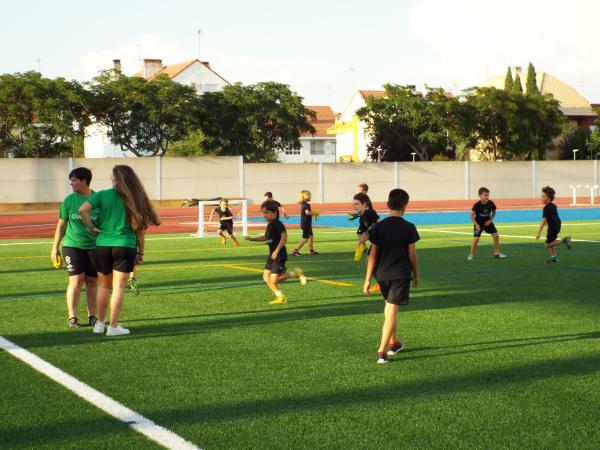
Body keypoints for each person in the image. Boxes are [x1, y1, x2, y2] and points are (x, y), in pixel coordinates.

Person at [79, 165, 161, 337]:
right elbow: (139, 230)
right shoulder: (135, 198)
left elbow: (82, 210)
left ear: (114, 180)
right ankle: (113, 326)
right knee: (119, 287)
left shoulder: (102, 194)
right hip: (124, 245)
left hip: (102, 245)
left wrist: (91, 227)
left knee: (104, 286)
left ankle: (99, 324)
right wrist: (141, 252)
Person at [363, 189, 420, 364]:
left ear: (388, 204)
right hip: (400, 274)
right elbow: (412, 255)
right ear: (405, 206)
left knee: (390, 308)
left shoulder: (378, 227)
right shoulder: (409, 227)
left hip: (381, 274)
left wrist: (367, 279)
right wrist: (416, 274)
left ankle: (394, 343)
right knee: (391, 310)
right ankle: (382, 351)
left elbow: (372, 255)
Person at [50, 167, 99, 328]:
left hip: (94, 247)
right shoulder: (69, 200)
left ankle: (93, 316)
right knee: (76, 280)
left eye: (74, 180)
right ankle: (72, 317)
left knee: (92, 282)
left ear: (84, 181)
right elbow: (61, 225)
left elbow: (105, 223)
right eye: (71, 180)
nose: (71, 183)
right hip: (72, 246)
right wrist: (55, 247)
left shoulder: (98, 199)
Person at [245, 200, 307, 304]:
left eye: (266, 213)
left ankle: (296, 273)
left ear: (274, 212)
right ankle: (280, 297)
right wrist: (252, 239)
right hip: (272, 255)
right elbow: (266, 237)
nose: (264, 215)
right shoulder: (270, 224)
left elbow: (284, 236)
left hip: (279, 255)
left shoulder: (277, 223)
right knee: (266, 277)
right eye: (263, 213)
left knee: (274, 280)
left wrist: (277, 250)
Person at [468, 187, 507, 261]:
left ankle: (497, 253)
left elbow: (494, 212)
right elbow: (471, 215)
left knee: (496, 236)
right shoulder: (477, 205)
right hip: (479, 223)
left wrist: (490, 220)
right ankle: (471, 255)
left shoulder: (491, 203)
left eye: (488, 195)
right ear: (480, 196)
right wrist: (476, 224)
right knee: (476, 239)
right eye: (485, 195)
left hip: (488, 223)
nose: (487, 197)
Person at [536, 186, 572, 263]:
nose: (541, 198)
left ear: (549, 198)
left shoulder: (546, 208)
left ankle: (564, 240)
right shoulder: (553, 205)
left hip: (553, 227)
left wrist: (539, 232)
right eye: (541, 196)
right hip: (556, 226)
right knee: (551, 242)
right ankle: (554, 258)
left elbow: (543, 221)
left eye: (543, 196)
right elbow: (552, 217)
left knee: (547, 244)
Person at [353, 192, 379, 262]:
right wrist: (360, 242)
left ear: (364, 205)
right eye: (353, 204)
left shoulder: (370, 212)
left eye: (357, 204)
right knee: (368, 262)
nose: (354, 206)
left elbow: (379, 221)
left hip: (381, 241)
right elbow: (367, 234)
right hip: (375, 242)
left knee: (370, 263)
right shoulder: (361, 219)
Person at [291, 190, 319, 256]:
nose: (310, 196)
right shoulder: (305, 204)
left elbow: (308, 212)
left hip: (307, 224)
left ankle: (311, 251)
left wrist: (313, 213)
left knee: (311, 236)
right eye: (308, 195)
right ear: (304, 196)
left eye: (310, 195)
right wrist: (314, 213)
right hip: (306, 224)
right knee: (305, 238)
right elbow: (307, 212)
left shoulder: (305, 204)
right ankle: (295, 251)